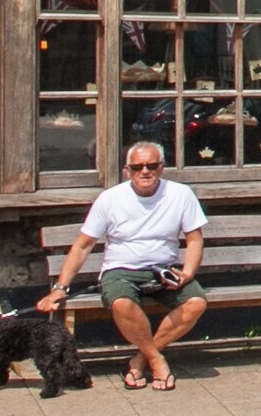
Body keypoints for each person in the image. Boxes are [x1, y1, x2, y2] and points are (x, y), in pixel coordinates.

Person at [37, 141, 208, 390]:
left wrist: (188, 273)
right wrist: (60, 288)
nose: (145, 171)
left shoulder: (180, 194)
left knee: (196, 302)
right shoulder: (110, 199)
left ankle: (139, 360)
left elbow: (194, 239)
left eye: (151, 165)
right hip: (121, 270)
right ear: (127, 170)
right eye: (138, 167)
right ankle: (157, 361)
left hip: (164, 269)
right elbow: (83, 246)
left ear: (161, 167)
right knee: (121, 304)